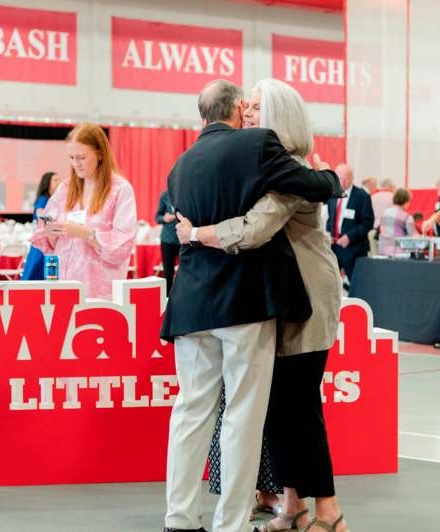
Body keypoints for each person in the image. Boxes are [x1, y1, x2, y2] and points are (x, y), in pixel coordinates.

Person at [160, 79, 341, 532]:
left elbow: (252, 220)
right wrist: (332, 178)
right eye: (251, 106)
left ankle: (181, 519)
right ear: (238, 109)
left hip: (196, 303)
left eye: (262, 107)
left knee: (194, 411)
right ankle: (234, 524)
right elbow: (304, 195)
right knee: (247, 414)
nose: (254, 114)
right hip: (245, 301)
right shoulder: (257, 149)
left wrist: (195, 234)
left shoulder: (181, 164)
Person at [31, 123, 137, 300]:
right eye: (71, 158)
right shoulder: (65, 188)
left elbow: (122, 245)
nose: (75, 164)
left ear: (100, 154)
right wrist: (53, 232)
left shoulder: (120, 190)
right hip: (64, 287)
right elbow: (47, 240)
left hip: (99, 292)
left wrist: (85, 234)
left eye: (81, 157)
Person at [326, 164, 374, 283]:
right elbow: (331, 218)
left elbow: (368, 222)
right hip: (334, 248)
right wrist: (328, 233)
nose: (341, 181)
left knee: (357, 285)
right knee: (331, 283)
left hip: (354, 249)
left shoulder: (362, 196)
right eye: (339, 178)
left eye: (345, 178)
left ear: (352, 178)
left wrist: (349, 237)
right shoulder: (332, 195)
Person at [21, 171, 63, 280]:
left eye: (60, 179)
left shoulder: (57, 200)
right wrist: (56, 224)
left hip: (53, 239)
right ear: (47, 183)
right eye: (56, 180)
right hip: (43, 242)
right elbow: (41, 216)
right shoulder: (43, 199)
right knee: (36, 274)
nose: (60, 182)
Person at [379, 188, 419, 255]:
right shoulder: (406, 216)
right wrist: (422, 237)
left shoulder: (385, 213)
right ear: (406, 201)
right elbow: (414, 236)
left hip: (383, 251)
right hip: (399, 253)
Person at [155, 190, 181, 291]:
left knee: (185, 271)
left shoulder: (187, 193)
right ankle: (166, 299)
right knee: (168, 272)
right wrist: (164, 218)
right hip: (167, 240)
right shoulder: (165, 195)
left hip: (184, 239)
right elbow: (157, 218)